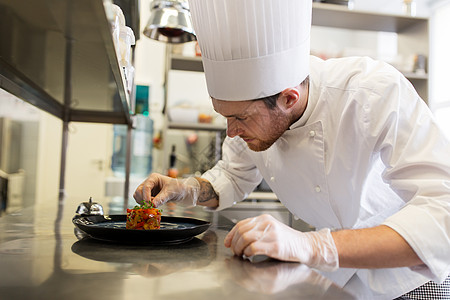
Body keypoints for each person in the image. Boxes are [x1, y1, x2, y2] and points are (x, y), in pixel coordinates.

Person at [134, 0, 450, 298]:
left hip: (411, 280)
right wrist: (186, 189)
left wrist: (313, 246)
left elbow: (443, 211)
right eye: (226, 116)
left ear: (289, 98)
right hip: (334, 278)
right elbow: (231, 176)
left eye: (240, 118)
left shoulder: (372, 92)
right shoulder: (256, 113)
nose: (231, 131)